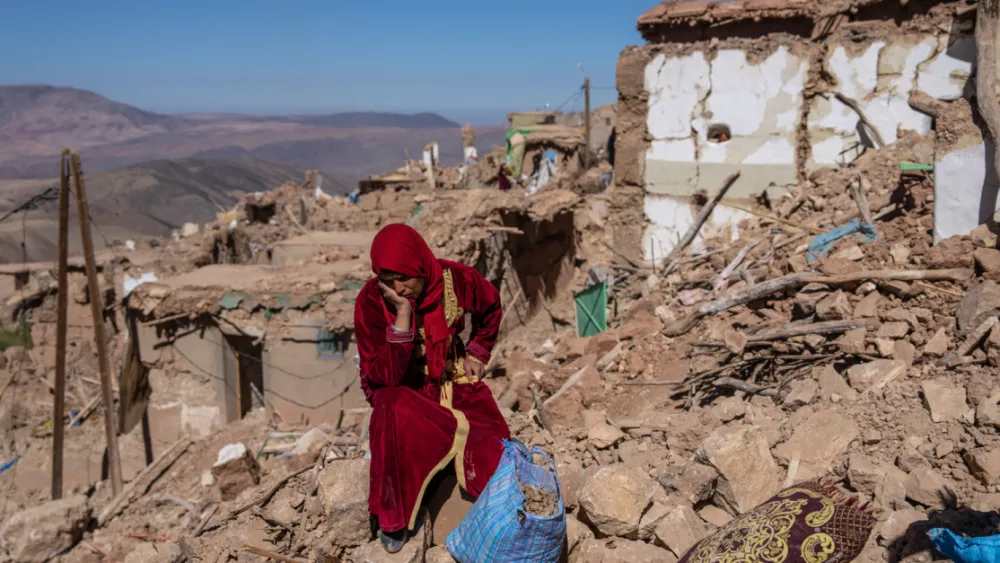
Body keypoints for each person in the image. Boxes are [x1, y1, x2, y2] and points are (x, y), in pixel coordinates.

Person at [354, 224, 511, 553]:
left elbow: (491, 307)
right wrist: (402, 315)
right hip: (402, 390)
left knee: (494, 452)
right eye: (389, 279)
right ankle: (395, 519)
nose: (399, 287)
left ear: (421, 267)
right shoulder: (371, 301)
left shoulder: (456, 280)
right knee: (390, 412)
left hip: (450, 379)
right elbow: (384, 375)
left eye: (406, 278)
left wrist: (478, 353)